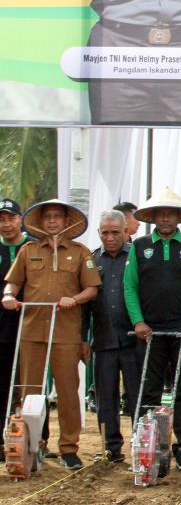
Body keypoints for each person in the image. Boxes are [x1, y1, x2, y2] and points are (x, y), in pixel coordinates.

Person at [1, 200, 100, 470]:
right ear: (40, 222)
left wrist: (75, 299)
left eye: (58, 216)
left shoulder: (81, 252)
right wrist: (9, 295)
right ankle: (32, 446)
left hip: (65, 331)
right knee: (29, 390)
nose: (53, 221)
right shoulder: (28, 250)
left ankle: (69, 448)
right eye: (48, 217)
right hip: (32, 328)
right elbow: (14, 282)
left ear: (68, 221)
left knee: (68, 390)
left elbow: (91, 289)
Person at [122, 187, 181, 472]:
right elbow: (130, 286)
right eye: (160, 214)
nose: (165, 218)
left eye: (170, 214)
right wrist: (138, 321)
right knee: (147, 390)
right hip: (149, 333)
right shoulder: (139, 247)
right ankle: (146, 443)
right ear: (153, 217)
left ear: (178, 217)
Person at [84, 209, 138, 461]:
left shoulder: (138, 257)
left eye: (115, 232)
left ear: (126, 231)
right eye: (104, 233)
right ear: (99, 233)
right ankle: (111, 446)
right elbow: (86, 305)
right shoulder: (92, 260)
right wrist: (83, 338)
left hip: (134, 340)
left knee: (138, 395)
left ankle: (142, 445)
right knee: (105, 396)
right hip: (104, 339)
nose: (110, 237)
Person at [0, 198, 31, 421]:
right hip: (2, 329)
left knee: (31, 382)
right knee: (2, 382)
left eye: (11, 218)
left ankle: (38, 438)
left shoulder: (33, 246)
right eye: (1, 219)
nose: (7, 224)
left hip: (31, 323)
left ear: (20, 219)